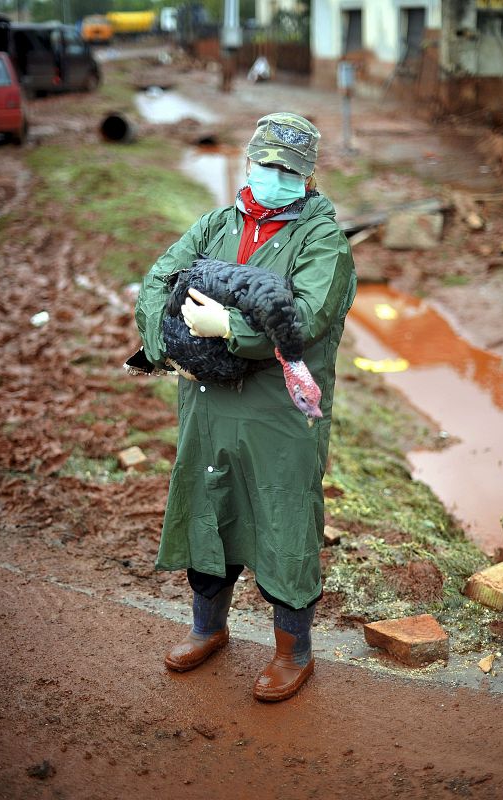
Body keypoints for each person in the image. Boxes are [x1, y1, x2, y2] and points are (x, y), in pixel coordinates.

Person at [135, 112, 357, 702]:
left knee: (284, 520)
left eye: (289, 169)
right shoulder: (216, 224)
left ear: (307, 177)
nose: (275, 176)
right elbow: (160, 277)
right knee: (209, 509)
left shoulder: (322, 240)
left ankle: (293, 652)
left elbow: (305, 321)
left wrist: (225, 325)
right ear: (249, 161)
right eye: (266, 164)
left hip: (279, 413)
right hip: (207, 405)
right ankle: (208, 629)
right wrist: (165, 349)